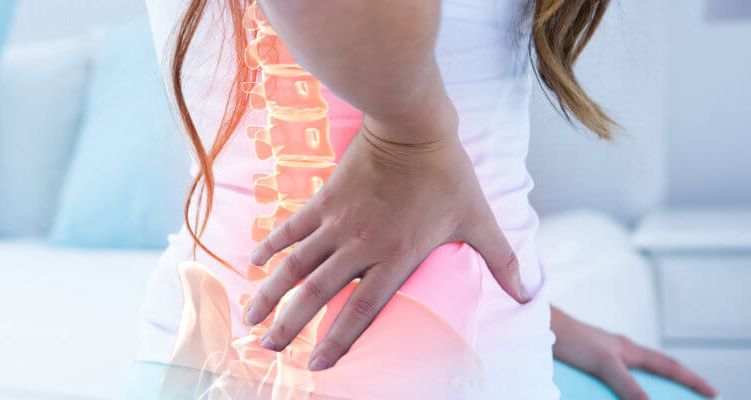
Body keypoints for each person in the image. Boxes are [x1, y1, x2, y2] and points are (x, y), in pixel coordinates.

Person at [130, 0, 719, 399]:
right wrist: (408, 138)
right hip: (438, 372)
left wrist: (535, 310)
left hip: (188, 358)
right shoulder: (408, 126)